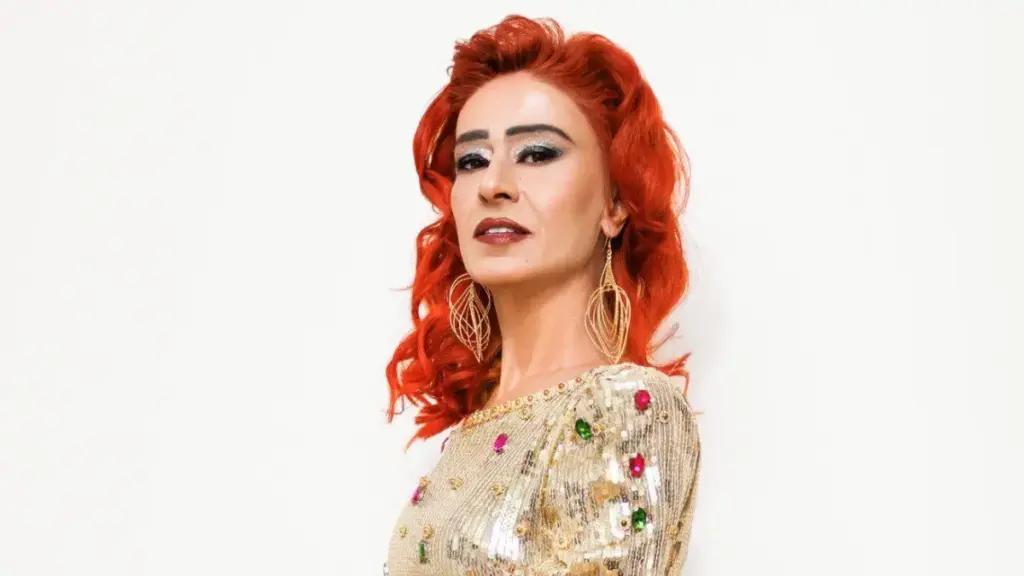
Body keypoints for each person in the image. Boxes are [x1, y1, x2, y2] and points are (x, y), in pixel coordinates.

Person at [383, 14, 702, 575]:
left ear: (615, 203)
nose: (492, 184)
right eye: (471, 161)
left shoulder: (625, 408)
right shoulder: (476, 428)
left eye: (536, 153)